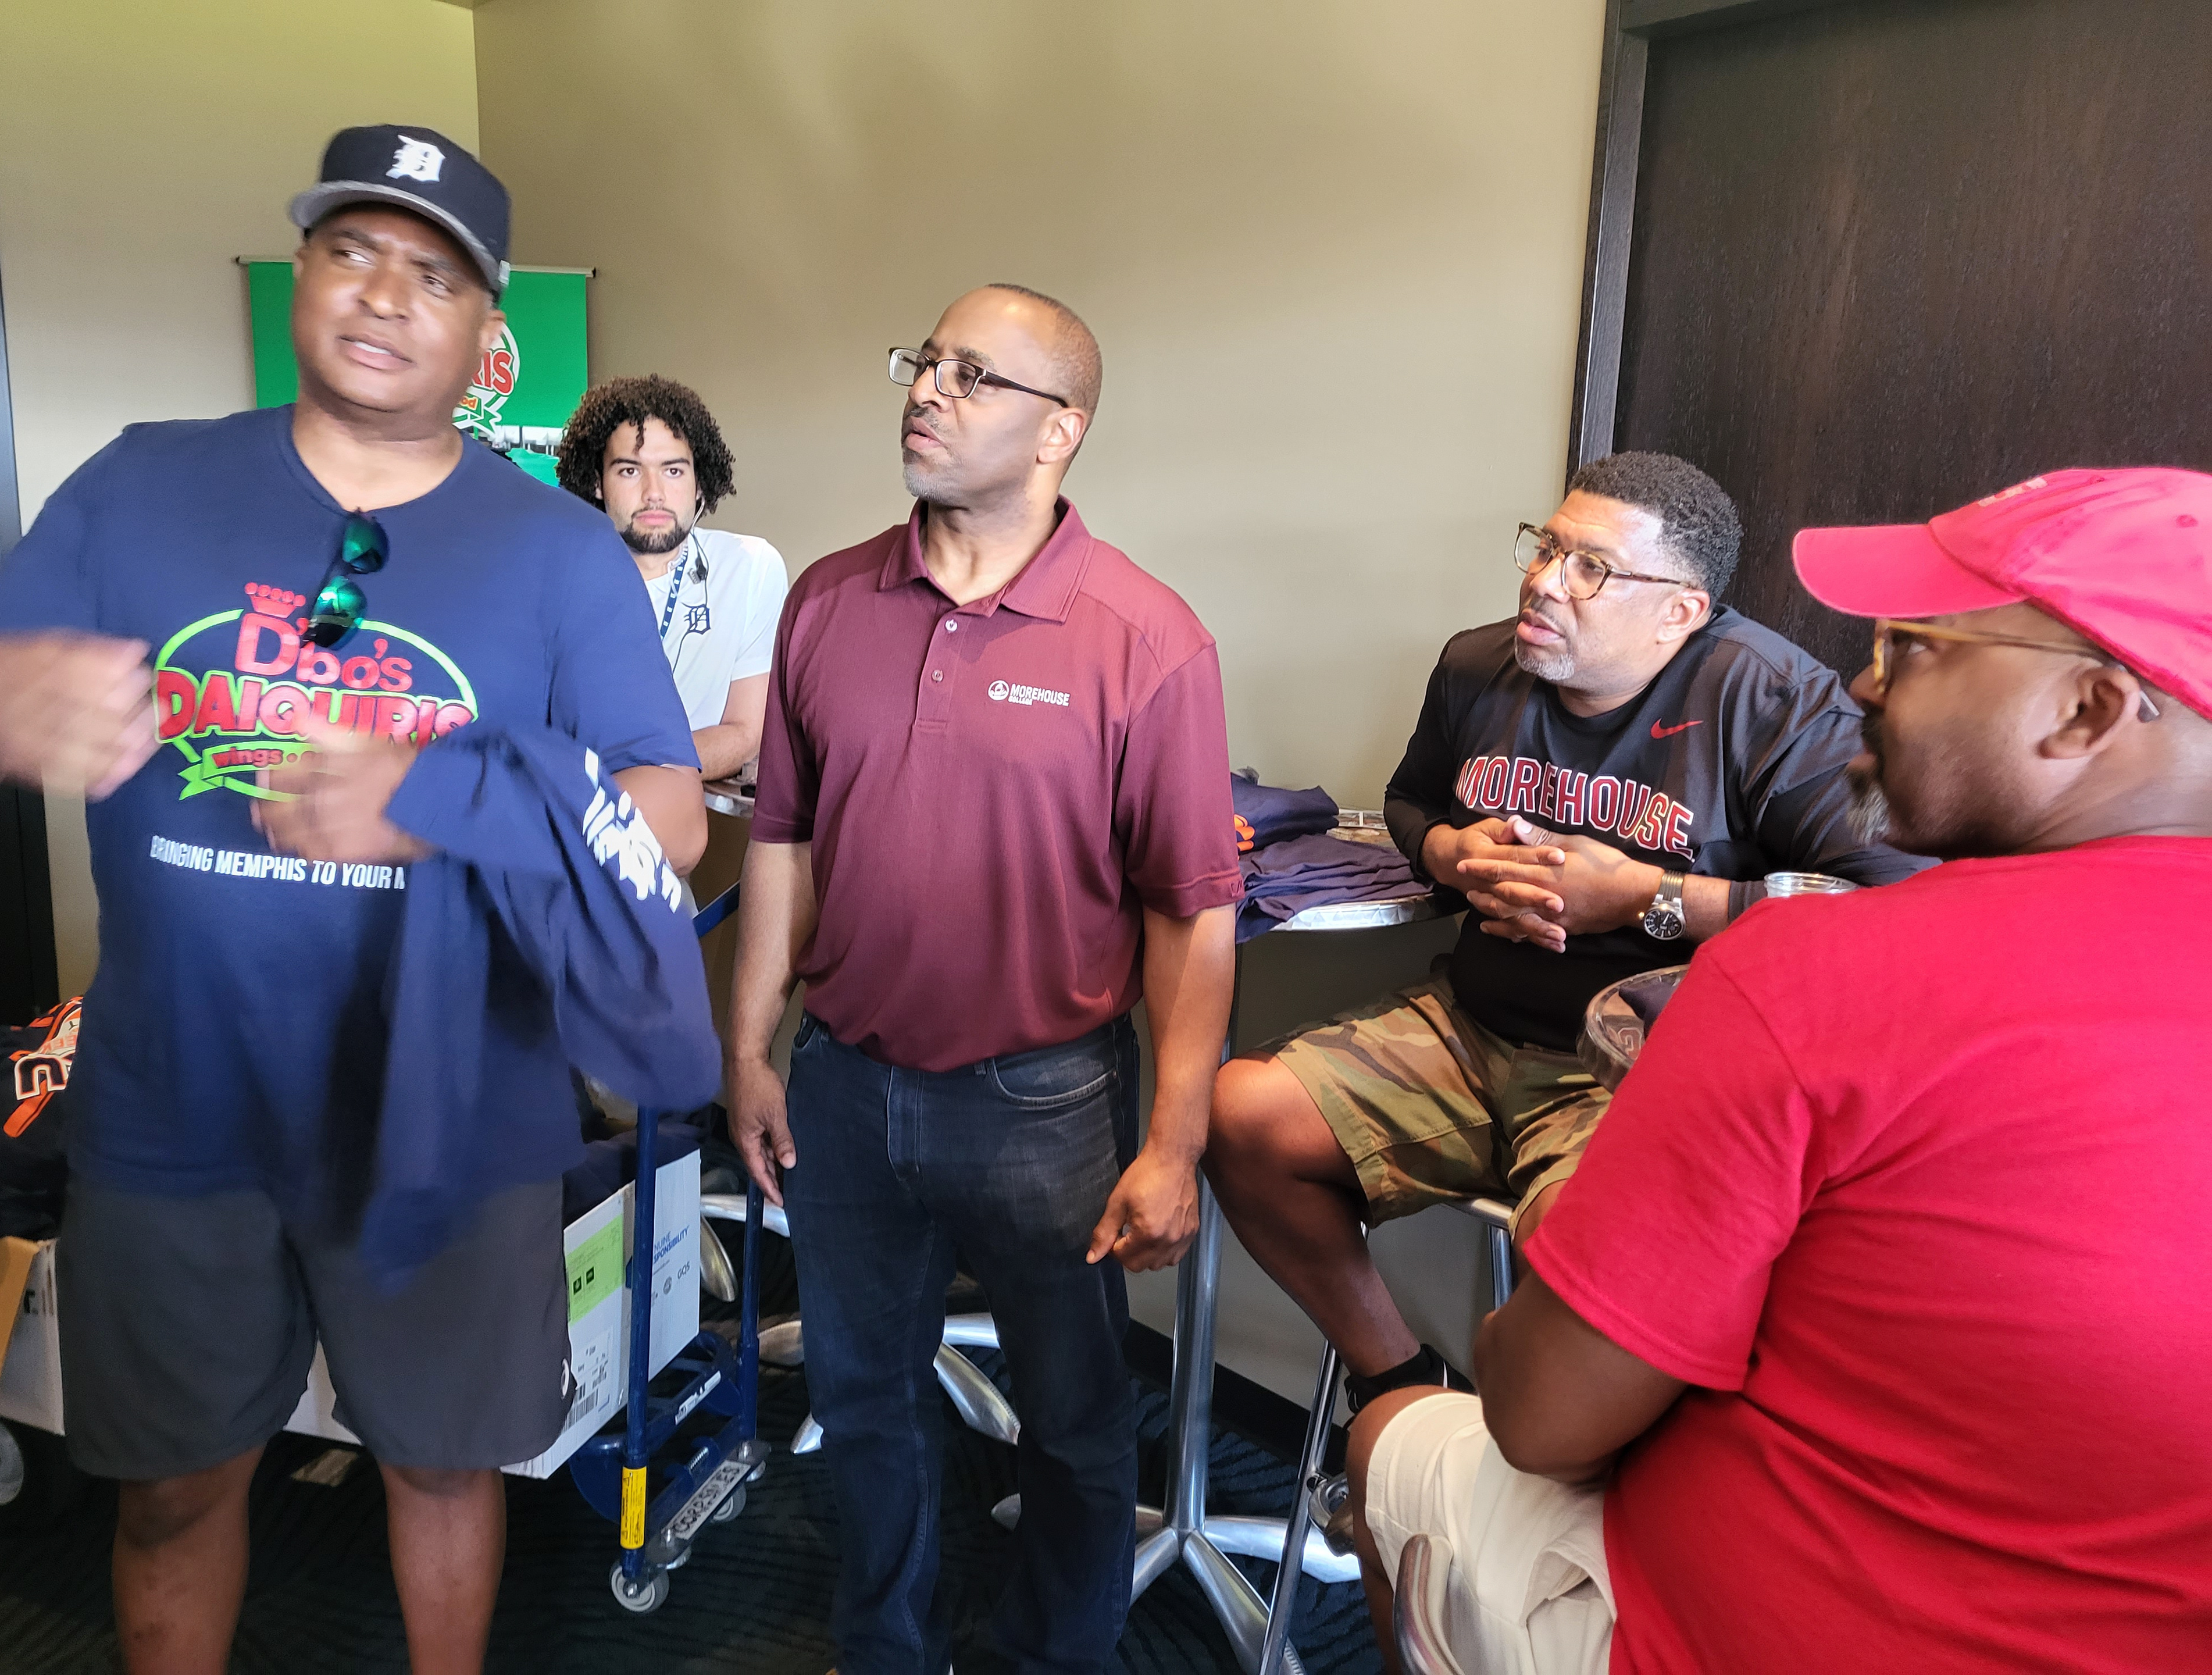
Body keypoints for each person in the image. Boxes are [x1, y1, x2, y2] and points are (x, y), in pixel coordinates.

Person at [0, 126, 704, 1674]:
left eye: (432, 273)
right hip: (175, 1103)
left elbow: (668, 819)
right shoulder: (139, 485)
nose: (383, 294)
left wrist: (436, 798)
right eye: (352, 250)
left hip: (449, 1109)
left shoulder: (560, 552)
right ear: (303, 271)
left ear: (488, 330)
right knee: (173, 1486)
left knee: (443, 1464)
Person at [1347, 466, 2212, 1674]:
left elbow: (1540, 1420)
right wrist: (1449, 850)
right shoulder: (1477, 668)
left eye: (1913, 650)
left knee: (1393, 1438)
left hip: (1726, 1623)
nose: (1861, 684)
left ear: (2086, 712)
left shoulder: (1814, 962)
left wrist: (1526, 1306)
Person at [727, 285, 1240, 1674]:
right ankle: (883, 1647)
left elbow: (1191, 915)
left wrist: (1174, 1143)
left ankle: (1050, 1654)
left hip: (1044, 1106)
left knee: (1073, 1423)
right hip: (843, 1085)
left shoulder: (1144, 636)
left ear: (1059, 429)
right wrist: (751, 1045)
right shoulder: (829, 598)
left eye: (972, 374)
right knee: (864, 1401)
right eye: (925, 361)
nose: (926, 390)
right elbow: (779, 837)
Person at [1203, 451, 1924, 1413]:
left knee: (1591, 1287)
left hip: (1640, 1072)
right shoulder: (1477, 665)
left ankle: (1529, 1477)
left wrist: (1644, 897)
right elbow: (1412, 802)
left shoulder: (1772, 703)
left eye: (1592, 568)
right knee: (1242, 1116)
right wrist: (1451, 853)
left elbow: (1889, 911)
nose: (1544, 582)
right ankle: (1398, 1387)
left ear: (1680, 611)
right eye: (1545, 548)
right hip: (1469, 1030)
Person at [557, 374, 786, 784]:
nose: (654, 493)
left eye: (674, 471)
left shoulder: (750, 567)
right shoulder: (557, 579)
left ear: (700, 483)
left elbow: (745, 733)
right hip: (571, 811)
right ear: (597, 482)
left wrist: (624, 779)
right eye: (630, 470)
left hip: (684, 813)